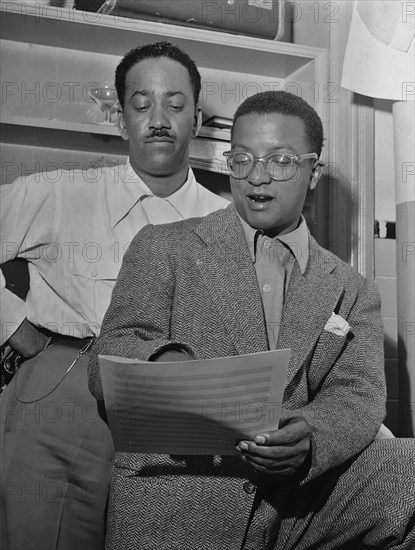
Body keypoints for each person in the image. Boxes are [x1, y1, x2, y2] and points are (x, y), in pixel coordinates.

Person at [88, 90, 415, 550]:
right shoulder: (163, 246)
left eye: (280, 161)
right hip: (180, 497)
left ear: (314, 172)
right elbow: (110, 354)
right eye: (241, 159)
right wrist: (163, 365)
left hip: (295, 502)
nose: (256, 177)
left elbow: (357, 396)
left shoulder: (352, 287)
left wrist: (312, 437)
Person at [0, 41, 228, 550]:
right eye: (141, 104)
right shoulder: (62, 192)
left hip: (178, 411)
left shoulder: (227, 222)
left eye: (175, 103)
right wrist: (15, 327)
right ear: (122, 120)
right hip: (65, 388)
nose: (159, 119)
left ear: (197, 116)